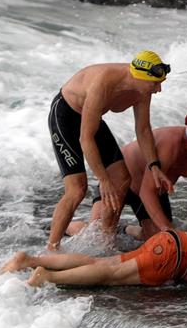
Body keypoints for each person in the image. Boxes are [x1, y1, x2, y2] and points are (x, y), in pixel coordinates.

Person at [0, 198, 187, 287]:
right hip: (175, 258)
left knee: (101, 264)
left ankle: (29, 260)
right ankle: (48, 276)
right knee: (108, 275)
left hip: (173, 245)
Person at [46, 50, 174, 251]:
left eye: (161, 83)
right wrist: (103, 180)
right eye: (155, 84)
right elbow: (85, 138)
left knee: (122, 179)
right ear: (139, 77)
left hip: (91, 118)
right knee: (77, 189)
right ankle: (51, 248)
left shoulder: (142, 90)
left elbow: (143, 129)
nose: (158, 89)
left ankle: (104, 242)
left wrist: (154, 166)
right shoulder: (103, 83)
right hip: (66, 116)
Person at [71, 108, 187, 241]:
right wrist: (168, 229)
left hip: (152, 189)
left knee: (156, 237)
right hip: (120, 181)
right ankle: (66, 227)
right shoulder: (170, 143)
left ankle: (124, 229)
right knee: (97, 236)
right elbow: (146, 191)